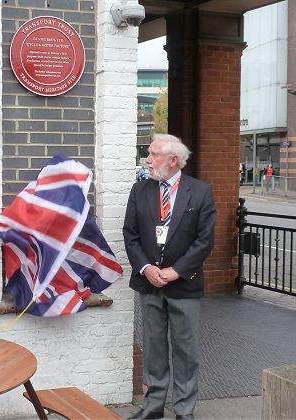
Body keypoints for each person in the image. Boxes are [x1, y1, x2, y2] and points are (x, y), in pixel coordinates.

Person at [123, 134, 216, 420]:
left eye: (154, 154)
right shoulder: (140, 190)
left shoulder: (200, 192)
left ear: (173, 160)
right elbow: (131, 235)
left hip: (184, 284)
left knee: (185, 350)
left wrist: (176, 271)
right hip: (149, 283)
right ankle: (153, 406)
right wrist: (146, 269)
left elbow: (204, 239)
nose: (147, 160)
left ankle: (184, 410)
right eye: (148, 154)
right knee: (153, 347)